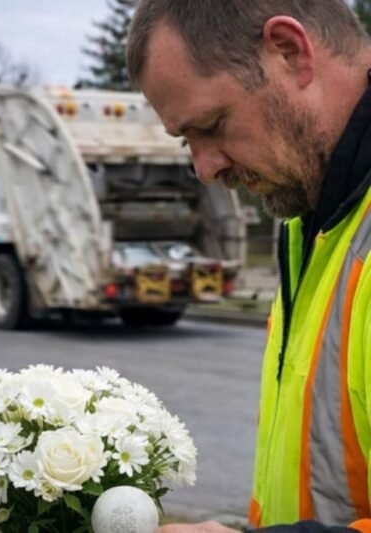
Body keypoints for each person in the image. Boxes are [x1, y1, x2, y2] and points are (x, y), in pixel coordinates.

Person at [127, 1, 371, 532]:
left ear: (289, 51)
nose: (206, 168)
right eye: (186, 141)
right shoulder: (313, 218)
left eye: (213, 125)